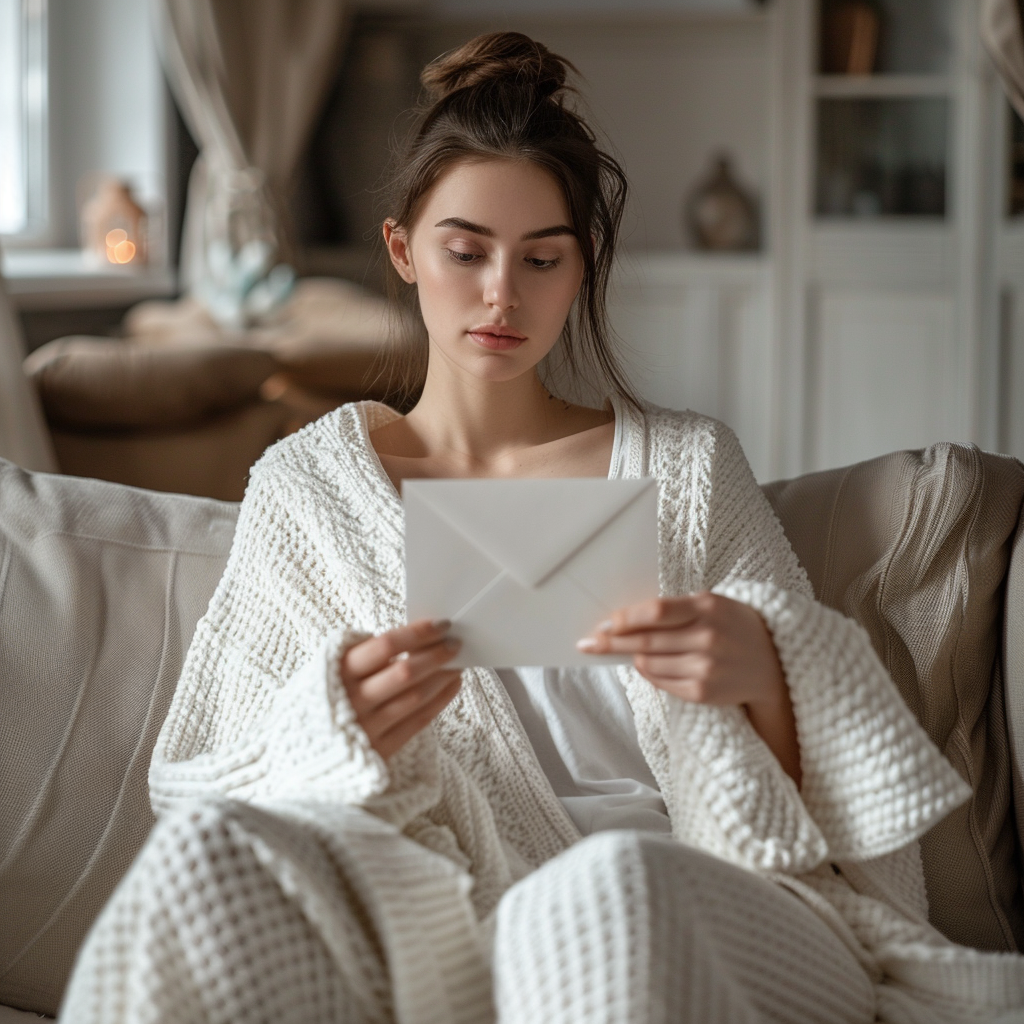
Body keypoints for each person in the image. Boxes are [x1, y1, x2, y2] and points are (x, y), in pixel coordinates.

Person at [61, 31, 1024, 1024]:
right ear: (402, 249)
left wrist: (768, 673)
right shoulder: (308, 490)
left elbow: (814, 797)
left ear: (582, 266)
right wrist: (333, 726)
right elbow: (205, 781)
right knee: (201, 862)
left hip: (683, 898)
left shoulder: (686, 467)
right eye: (465, 249)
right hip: (443, 910)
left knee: (601, 885)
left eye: (542, 258)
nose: (500, 294)